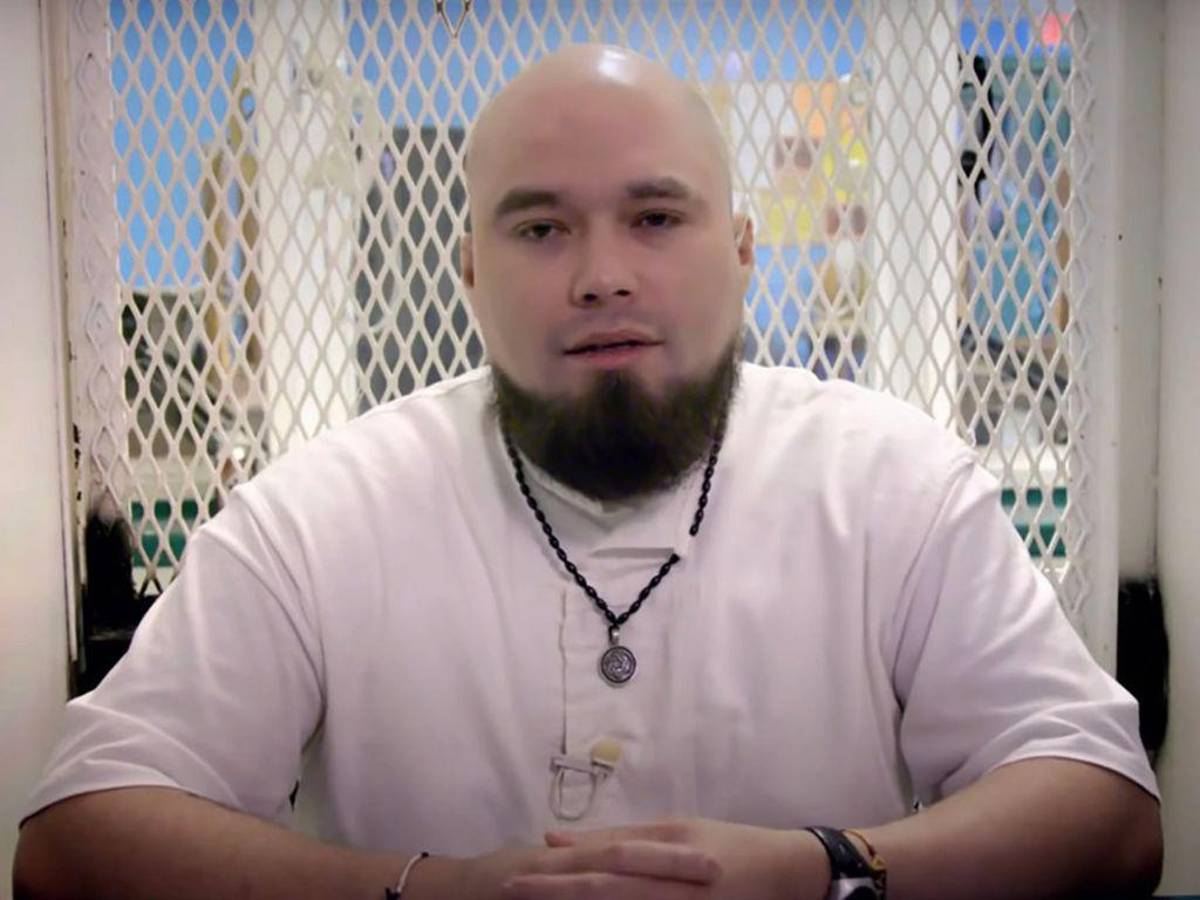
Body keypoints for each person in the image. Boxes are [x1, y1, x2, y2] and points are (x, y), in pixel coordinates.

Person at [14, 44, 1161, 900]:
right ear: (470, 271)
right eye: (540, 230)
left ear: (744, 252)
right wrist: (433, 891)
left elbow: (1107, 813)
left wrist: (818, 871)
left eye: (656, 217)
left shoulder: (892, 485)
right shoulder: (320, 514)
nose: (603, 275)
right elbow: (73, 841)